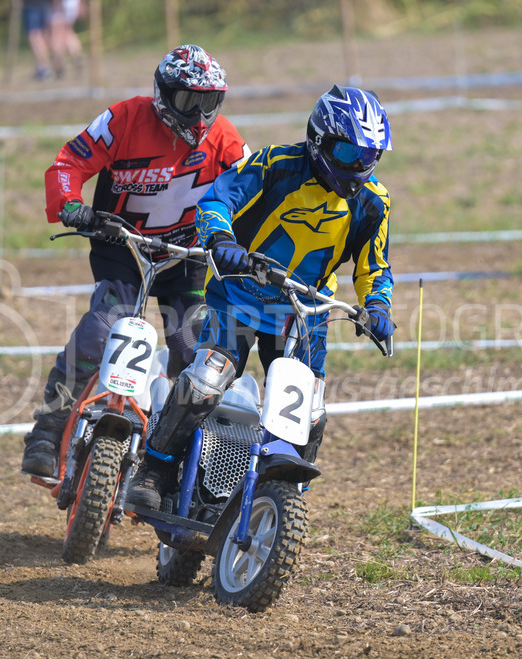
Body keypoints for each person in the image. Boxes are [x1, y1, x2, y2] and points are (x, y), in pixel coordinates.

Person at [128, 85, 395, 511]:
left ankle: (286, 498)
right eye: (349, 155)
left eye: (370, 157)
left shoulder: (374, 203)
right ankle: (154, 470)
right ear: (319, 140)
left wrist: (378, 306)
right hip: (239, 295)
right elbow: (218, 198)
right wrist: (221, 238)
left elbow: (374, 268)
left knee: (309, 410)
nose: (360, 167)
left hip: (304, 312)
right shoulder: (276, 164)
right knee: (205, 381)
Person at [21, 45, 251, 478]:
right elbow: (68, 162)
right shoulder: (124, 119)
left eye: (210, 102)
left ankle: (176, 460)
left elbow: (253, 197)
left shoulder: (226, 140)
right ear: (163, 96)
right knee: (102, 328)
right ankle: (48, 429)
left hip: (186, 256)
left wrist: (246, 247)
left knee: (194, 349)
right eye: (189, 102)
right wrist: (70, 204)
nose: (200, 117)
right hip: (122, 247)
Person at [50, 0, 84, 78]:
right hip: (73, 5)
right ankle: (76, 54)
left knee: (57, 36)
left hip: (62, 6)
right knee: (67, 33)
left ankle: (59, 65)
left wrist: (58, 4)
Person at [22, 0, 54, 81]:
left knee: (34, 36)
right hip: (43, 5)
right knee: (42, 36)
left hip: (32, 5)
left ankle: (43, 68)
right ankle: (42, 67)